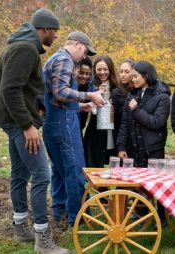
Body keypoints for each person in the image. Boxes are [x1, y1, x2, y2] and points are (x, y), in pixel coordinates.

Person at [0, 7, 69, 253]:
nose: (55, 36)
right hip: (19, 125)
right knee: (42, 175)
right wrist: (27, 124)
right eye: (54, 31)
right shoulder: (25, 49)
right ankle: (43, 240)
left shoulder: (17, 46)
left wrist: (29, 108)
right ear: (44, 29)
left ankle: (20, 227)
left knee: (19, 174)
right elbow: (9, 89)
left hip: (12, 120)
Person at [42, 31, 104, 229]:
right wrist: (89, 97)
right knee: (76, 171)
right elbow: (61, 92)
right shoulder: (65, 60)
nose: (84, 57)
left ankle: (60, 211)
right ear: (77, 44)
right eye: (85, 51)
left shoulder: (53, 58)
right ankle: (78, 219)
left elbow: (54, 96)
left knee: (60, 171)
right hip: (64, 126)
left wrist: (81, 107)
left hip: (53, 123)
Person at [116, 60, 170, 166]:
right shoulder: (133, 93)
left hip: (153, 151)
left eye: (136, 76)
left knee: (152, 181)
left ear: (145, 76)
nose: (133, 79)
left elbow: (157, 122)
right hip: (132, 148)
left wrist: (136, 111)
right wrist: (121, 147)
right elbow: (125, 123)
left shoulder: (163, 96)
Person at [83, 55, 119, 167]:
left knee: (115, 167)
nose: (102, 72)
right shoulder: (91, 86)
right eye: (99, 69)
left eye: (105, 69)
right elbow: (88, 108)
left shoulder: (117, 87)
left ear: (110, 70)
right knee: (95, 167)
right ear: (95, 70)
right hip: (95, 133)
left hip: (114, 132)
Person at [112, 59, 136, 155]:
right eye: (121, 71)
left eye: (126, 72)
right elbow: (117, 119)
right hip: (121, 134)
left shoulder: (139, 90)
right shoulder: (116, 92)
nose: (122, 74)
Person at [75, 56, 95, 136]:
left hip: (79, 129)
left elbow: (95, 91)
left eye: (87, 74)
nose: (84, 76)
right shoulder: (67, 86)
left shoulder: (89, 87)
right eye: (81, 73)